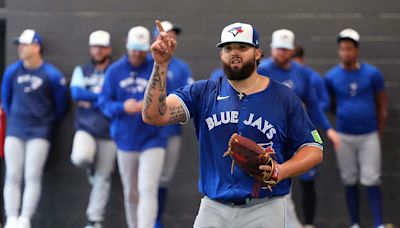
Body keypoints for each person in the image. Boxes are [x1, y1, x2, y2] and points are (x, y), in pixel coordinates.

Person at [143, 21, 323, 228]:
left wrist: (281, 171)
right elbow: (154, 116)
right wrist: (161, 65)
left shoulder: (284, 97)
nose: (234, 53)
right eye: (228, 48)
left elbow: (313, 148)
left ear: (257, 53)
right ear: (221, 54)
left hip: (265, 207)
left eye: (242, 47)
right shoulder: (203, 92)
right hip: (213, 207)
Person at [98, 26, 167, 228]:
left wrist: (149, 107)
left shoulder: (156, 69)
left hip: (153, 138)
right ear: (128, 46)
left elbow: (167, 99)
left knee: (148, 188)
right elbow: (103, 103)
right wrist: (123, 107)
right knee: (131, 191)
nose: (137, 53)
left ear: (147, 49)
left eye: (141, 49)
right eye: (134, 48)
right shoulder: (114, 71)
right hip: (125, 139)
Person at [1, 29, 67, 228]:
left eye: (25, 44)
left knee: (32, 174)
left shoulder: (52, 75)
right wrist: (15, 119)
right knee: (12, 173)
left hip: (40, 132)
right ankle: (11, 217)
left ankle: (25, 219)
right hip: (15, 130)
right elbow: (6, 100)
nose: (20, 48)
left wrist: (45, 123)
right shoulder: (12, 71)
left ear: (36, 46)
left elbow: (60, 105)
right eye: (19, 44)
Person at [325, 28, 387, 228]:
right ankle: (355, 223)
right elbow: (330, 105)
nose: (346, 53)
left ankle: (378, 223)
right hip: (344, 135)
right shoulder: (331, 76)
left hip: (369, 135)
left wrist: (379, 133)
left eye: (349, 49)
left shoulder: (372, 74)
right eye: (342, 49)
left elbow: (382, 106)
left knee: (371, 179)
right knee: (349, 179)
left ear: (357, 50)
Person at [69, 30, 117, 228]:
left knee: (103, 177)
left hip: (110, 131)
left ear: (108, 49)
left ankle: (94, 220)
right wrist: (102, 99)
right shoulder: (82, 70)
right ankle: (90, 167)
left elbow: (116, 98)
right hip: (86, 128)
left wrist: (91, 98)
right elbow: (75, 93)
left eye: (102, 47)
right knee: (81, 156)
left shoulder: (115, 71)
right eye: (95, 47)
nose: (98, 51)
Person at [152, 21, 193, 228]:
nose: (171, 37)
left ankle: (156, 220)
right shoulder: (147, 61)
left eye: (173, 34)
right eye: (167, 33)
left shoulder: (182, 66)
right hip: (145, 134)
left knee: (164, 178)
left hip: (171, 130)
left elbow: (189, 98)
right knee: (144, 180)